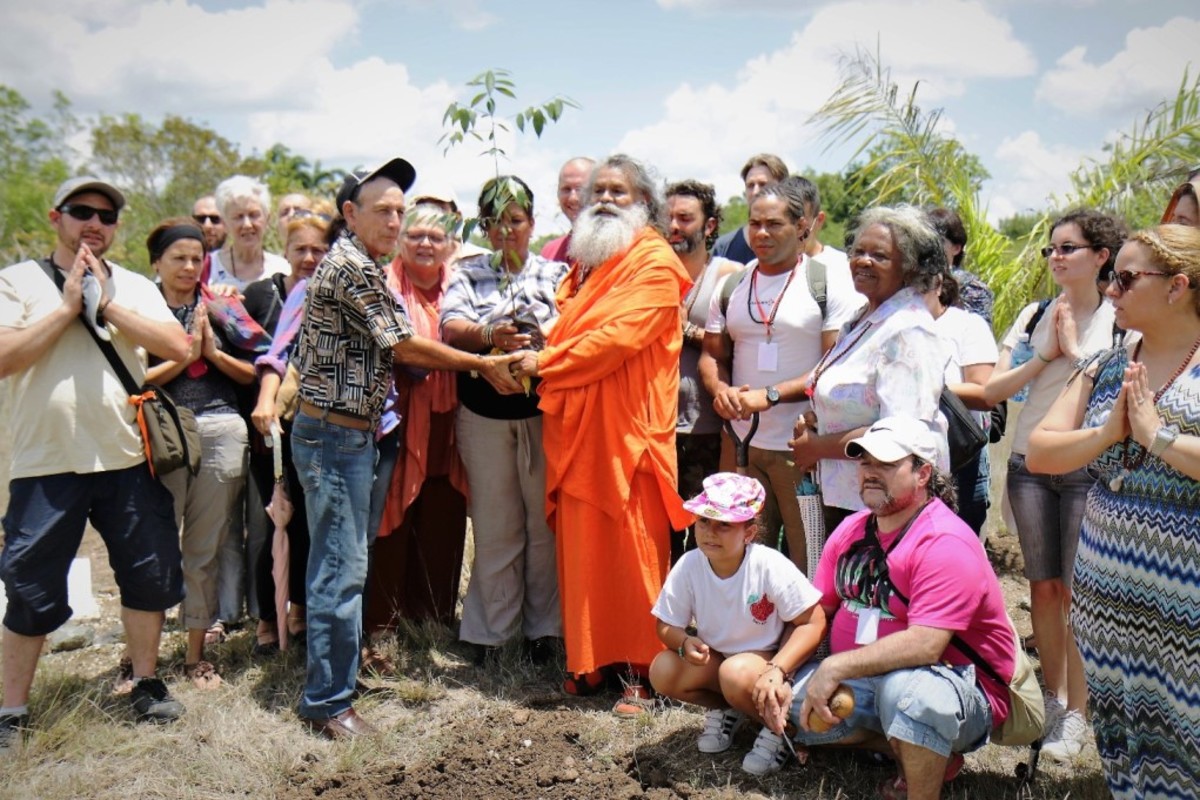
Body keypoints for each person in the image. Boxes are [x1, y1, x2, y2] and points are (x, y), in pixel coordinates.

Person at [290, 157, 521, 738]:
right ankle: (328, 703)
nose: (395, 222)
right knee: (339, 572)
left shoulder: (366, 265)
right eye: (384, 211)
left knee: (343, 565)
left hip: (351, 432)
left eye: (401, 211)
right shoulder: (353, 269)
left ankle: (333, 683)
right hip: (335, 435)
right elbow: (405, 345)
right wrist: (482, 362)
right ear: (350, 214)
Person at [0, 177, 192, 750]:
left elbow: (178, 347)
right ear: (56, 216)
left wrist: (105, 304)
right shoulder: (17, 281)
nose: (95, 223)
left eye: (106, 216)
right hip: (45, 463)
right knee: (30, 587)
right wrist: (65, 307)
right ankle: (11, 710)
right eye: (82, 212)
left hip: (126, 458)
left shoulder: (131, 284)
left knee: (148, 573)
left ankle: (146, 682)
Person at [512, 154, 693, 713]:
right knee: (582, 550)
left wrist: (542, 364)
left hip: (629, 433)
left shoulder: (655, 264)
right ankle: (589, 662)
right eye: (599, 192)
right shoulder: (585, 265)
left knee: (633, 550)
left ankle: (642, 669)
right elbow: (571, 323)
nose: (607, 200)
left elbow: (615, 340)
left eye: (620, 191)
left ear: (646, 205)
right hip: (579, 427)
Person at [1028, 225, 1200, 798]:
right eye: (1111, 276)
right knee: (1125, 742)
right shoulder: (1104, 364)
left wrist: (1156, 437)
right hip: (1106, 603)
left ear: (1177, 286)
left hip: (1185, 611)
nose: (1111, 289)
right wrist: (1107, 433)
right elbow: (1041, 450)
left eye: (1125, 278)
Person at [773, 417, 1015, 798]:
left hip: (957, 686)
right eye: (865, 462)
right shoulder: (852, 529)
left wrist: (835, 667)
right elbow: (817, 612)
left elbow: (925, 646)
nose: (870, 473)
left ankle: (920, 780)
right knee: (781, 701)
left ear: (923, 473)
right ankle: (905, 747)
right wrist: (778, 669)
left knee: (908, 696)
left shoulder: (944, 541)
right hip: (870, 679)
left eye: (886, 464)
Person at [982, 208, 1127, 761]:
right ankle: (1053, 696)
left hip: (1090, 466)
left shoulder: (1121, 320)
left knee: (1080, 593)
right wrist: (1047, 351)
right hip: (1028, 464)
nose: (1056, 257)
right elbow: (997, 387)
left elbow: (1117, 384)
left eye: (1068, 247)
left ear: (1101, 257)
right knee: (1043, 589)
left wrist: (1076, 353)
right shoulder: (1033, 313)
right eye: (1050, 248)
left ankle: (1078, 716)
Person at [701, 177, 863, 572]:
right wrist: (719, 390)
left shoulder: (829, 283)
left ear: (802, 227)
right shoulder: (732, 285)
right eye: (754, 223)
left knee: (807, 559)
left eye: (774, 224)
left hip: (800, 449)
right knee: (742, 558)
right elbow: (711, 353)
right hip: (741, 446)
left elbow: (833, 364)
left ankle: (808, 634)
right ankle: (750, 633)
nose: (761, 233)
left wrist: (769, 396)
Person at [442, 176, 568, 664]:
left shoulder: (556, 274)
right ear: (485, 227)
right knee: (496, 525)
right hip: (484, 414)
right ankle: (490, 635)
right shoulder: (468, 272)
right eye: (496, 222)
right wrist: (491, 333)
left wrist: (538, 340)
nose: (507, 231)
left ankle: (546, 632)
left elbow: (572, 327)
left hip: (542, 414)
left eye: (516, 220)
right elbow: (451, 328)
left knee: (543, 525)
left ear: (531, 224)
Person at [648, 472, 826, 772]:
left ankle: (780, 732)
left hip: (766, 662)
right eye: (704, 521)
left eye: (724, 525)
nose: (709, 531)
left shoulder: (768, 564)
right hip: (719, 662)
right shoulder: (690, 564)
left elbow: (815, 621)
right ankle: (728, 709)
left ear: (749, 532)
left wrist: (778, 669)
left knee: (734, 673)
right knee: (662, 670)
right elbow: (665, 624)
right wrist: (683, 641)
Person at [143, 218, 255, 688]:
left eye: (196, 258)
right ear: (156, 263)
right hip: (163, 434)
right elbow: (132, 381)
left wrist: (213, 352)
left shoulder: (224, 306)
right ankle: (140, 658)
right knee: (152, 548)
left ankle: (194, 657)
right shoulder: (139, 309)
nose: (189, 267)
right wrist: (186, 358)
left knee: (203, 548)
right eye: (178, 259)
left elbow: (255, 370)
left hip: (221, 429)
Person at [789, 206, 948, 533]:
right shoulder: (864, 319)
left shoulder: (907, 330)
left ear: (909, 266)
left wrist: (819, 447)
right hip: (847, 497)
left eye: (880, 256)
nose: (863, 260)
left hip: (884, 509)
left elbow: (902, 432)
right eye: (858, 251)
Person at [363, 202, 470, 632]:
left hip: (450, 422)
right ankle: (382, 622)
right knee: (392, 514)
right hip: (394, 418)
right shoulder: (381, 285)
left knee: (443, 513)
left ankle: (433, 618)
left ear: (451, 245)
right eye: (415, 235)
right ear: (400, 241)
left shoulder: (462, 286)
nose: (425, 244)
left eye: (436, 237)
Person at [243, 214, 329, 653]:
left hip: (313, 426)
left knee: (308, 529)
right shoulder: (263, 294)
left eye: (319, 249)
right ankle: (266, 617)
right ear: (286, 251)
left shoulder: (330, 291)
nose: (310, 258)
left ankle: (296, 612)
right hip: (270, 426)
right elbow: (251, 352)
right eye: (301, 249)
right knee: (277, 519)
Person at [665, 179, 741, 562]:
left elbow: (741, 347)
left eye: (685, 218)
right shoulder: (651, 274)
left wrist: (688, 330)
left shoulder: (731, 276)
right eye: (668, 218)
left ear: (709, 226)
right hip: (657, 431)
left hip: (708, 431)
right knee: (660, 538)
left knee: (707, 536)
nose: (674, 226)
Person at [924, 261, 997, 537]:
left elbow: (984, 392)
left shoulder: (966, 325)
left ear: (939, 284)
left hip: (959, 456)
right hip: (902, 457)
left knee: (958, 539)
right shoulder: (886, 322)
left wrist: (931, 386)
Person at [208, 175, 290, 292]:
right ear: (224, 223)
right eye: (238, 217)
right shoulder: (209, 267)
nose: (247, 224)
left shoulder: (283, 269)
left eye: (253, 215)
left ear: (267, 218)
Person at [711, 153, 789, 265]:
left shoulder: (795, 245)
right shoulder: (724, 247)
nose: (755, 191)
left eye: (763, 184)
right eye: (750, 185)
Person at [926, 207, 994, 325]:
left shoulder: (973, 289)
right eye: (927, 240)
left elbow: (979, 336)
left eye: (939, 241)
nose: (931, 246)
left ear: (956, 248)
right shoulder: (914, 282)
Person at [540, 157, 595, 263]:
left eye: (580, 189)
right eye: (566, 189)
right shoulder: (550, 253)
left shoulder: (620, 250)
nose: (573, 198)